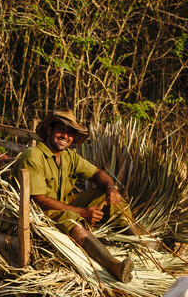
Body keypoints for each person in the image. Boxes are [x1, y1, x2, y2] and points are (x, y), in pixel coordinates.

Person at [14, 109, 135, 282]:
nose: (65, 135)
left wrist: (110, 187)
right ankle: (114, 265)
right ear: (49, 130)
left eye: (70, 132)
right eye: (61, 130)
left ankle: (139, 243)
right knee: (70, 218)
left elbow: (97, 174)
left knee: (107, 197)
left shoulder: (69, 156)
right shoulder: (34, 156)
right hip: (36, 211)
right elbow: (39, 199)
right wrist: (82, 212)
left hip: (61, 203)